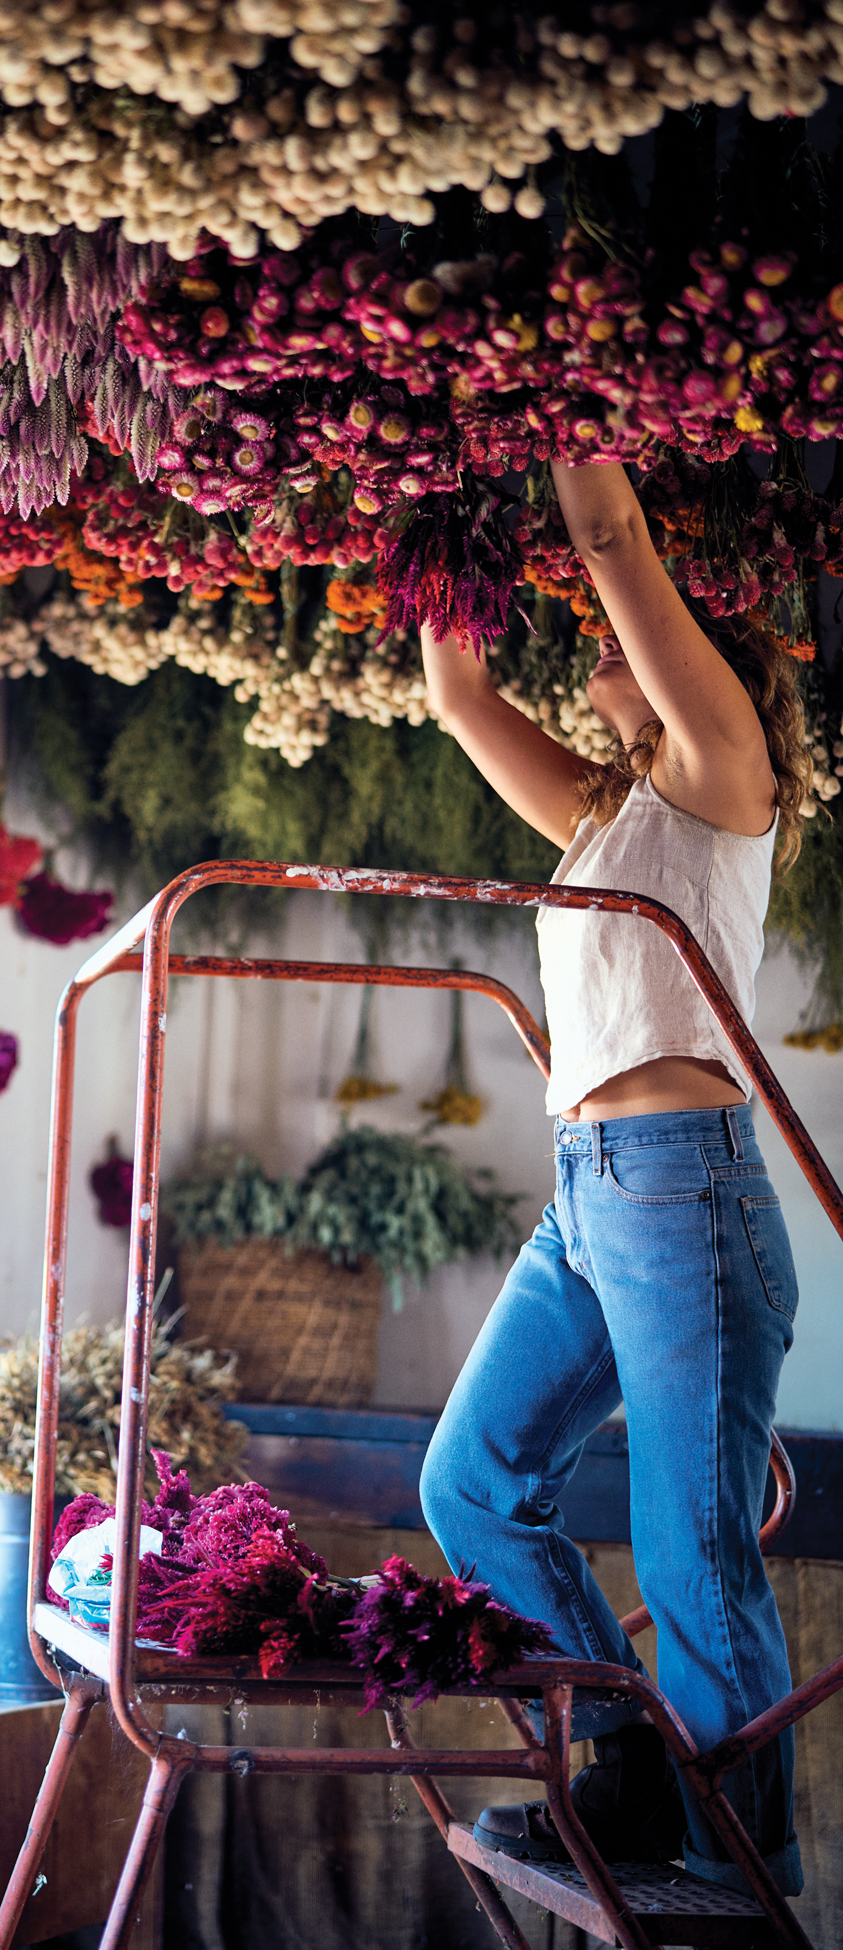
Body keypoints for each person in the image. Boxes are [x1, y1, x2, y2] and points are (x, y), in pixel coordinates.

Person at [415, 458, 812, 1898]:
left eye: (637, 624)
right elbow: (458, 696)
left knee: (692, 1546)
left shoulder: (723, 764)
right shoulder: (605, 815)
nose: (598, 634)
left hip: (684, 1192)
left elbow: (612, 531)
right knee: (470, 1482)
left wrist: (571, 403)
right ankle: (632, 1769)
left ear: (698, 654)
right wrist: (437, 537)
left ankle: (737, 1861)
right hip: (588, 1189)